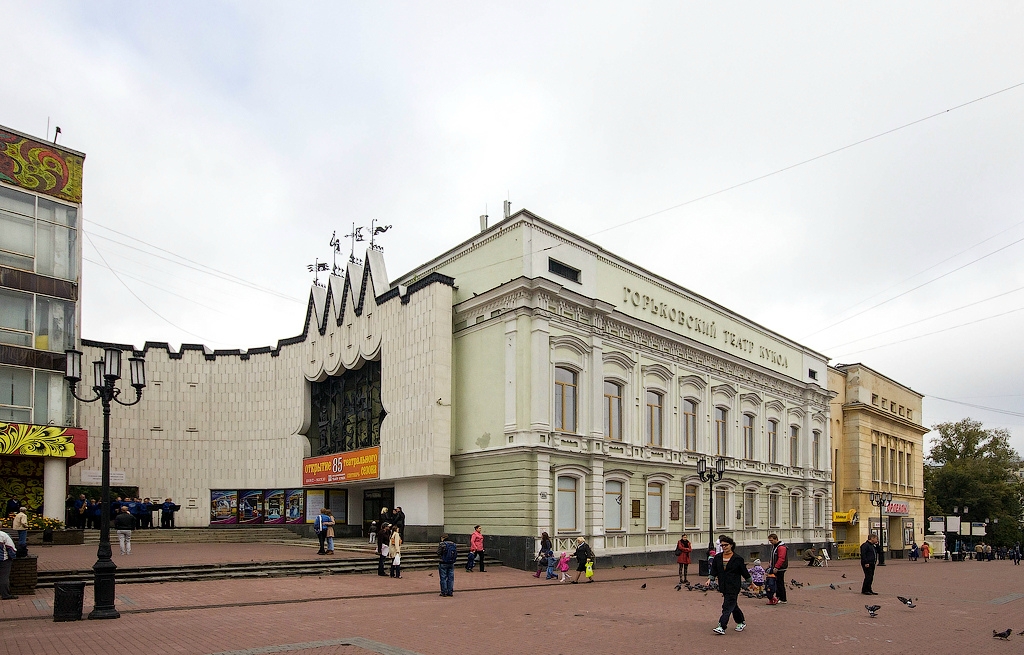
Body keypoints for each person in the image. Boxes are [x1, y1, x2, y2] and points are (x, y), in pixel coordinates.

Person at [708, 535, 752, 635]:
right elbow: (714, 569)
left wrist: (751, 582)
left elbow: (744, 572)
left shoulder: (738, 559)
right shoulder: (718, 557)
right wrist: (710, 579)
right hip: (723, 585)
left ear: (731, 545)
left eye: (726, 545)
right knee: (733, 605)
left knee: (727, 606)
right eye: (722, 545)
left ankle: (722, 626)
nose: (724, 547)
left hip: (734, 586)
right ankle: (741, 621)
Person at [765, 534, 788, 605]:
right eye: (769, 540)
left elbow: (781, 558)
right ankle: (778, 597)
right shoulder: (775, 546)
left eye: (771, 540)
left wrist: (776, 567)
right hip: (776, 567)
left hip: (780, 568)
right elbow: (773, 557)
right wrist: (770, 564)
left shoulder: (781, 547)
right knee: (777, 583)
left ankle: (783, 599)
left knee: (780, 583)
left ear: (776, 539)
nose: (770, 542)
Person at [0, 529, 18, 599]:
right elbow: (11, 548)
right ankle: (5, 595)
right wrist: (12, 557)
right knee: (3, 577)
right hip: (3, 560)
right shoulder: (3, 535)